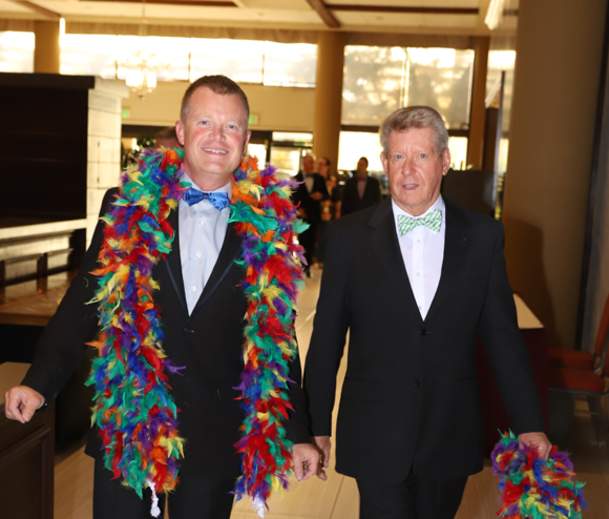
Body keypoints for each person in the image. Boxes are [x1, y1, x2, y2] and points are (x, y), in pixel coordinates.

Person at [4, 75, 319, 519]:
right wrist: (39, 382)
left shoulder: (271, 225)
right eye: (205, 121)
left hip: (216, 431)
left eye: (231, 127)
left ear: (246, 139)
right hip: (130, 420)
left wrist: (297, 430)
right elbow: (84, 302)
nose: (217, 137)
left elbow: (277, 339)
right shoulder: (128, 205)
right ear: (183, 130)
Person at [304, 106, 551, 519]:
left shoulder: (483, 237)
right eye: (398, 157)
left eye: (421, 156)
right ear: (384, 163)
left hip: (450, 428)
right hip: (375, 427)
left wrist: (528, 421)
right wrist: (316, 426)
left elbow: (502, 338)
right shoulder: (348, 238)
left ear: (445, 161)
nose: (408, 170)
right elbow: (327, 338)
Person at [292, 154, 329, 275]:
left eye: (312, 163)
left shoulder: (319, 178)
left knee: (312, 241)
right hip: (301, 215)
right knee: (302, 240)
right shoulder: (295, 179)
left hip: (314, 215)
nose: (311, 165)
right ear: (303, 164)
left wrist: (320, 196)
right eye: (308, 163)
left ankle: (307, 265)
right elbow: (291, 197)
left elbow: (326, 195)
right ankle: (303, 265)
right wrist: (297, 209)